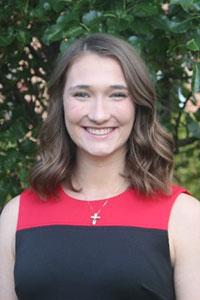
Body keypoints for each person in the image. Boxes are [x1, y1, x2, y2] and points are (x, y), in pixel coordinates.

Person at [0, 33, 200, 300]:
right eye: (82, 94)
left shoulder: (184, 217)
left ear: (138, 104)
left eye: (117, 95)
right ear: (61, 104)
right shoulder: (16, 216)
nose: (98, 114)